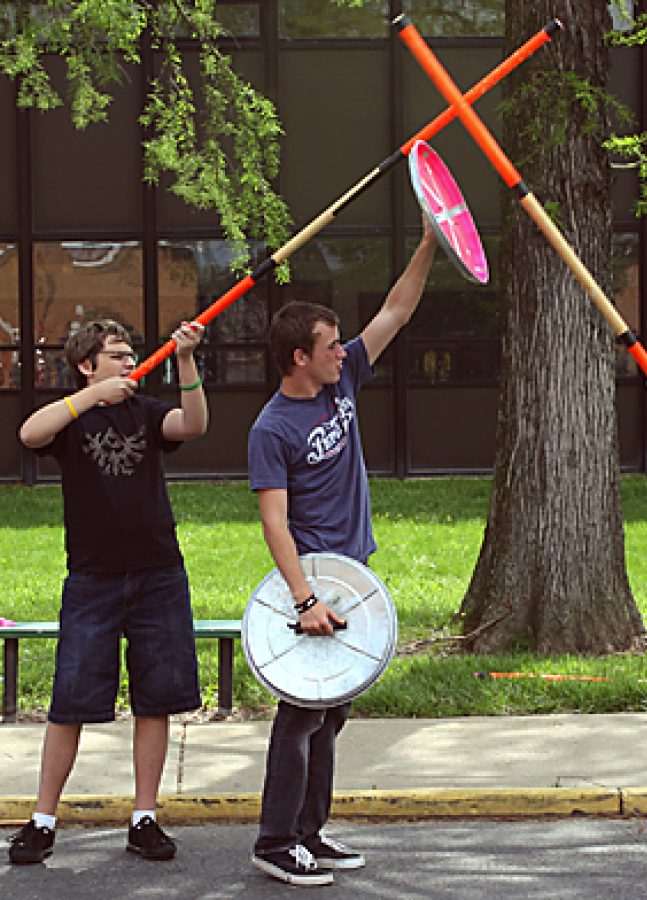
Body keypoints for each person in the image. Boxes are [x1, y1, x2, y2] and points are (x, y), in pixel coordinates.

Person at [248, 222, 437, 887]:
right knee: (301, 715)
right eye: (329, 347)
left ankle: (310, 831)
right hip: (314, 580)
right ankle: (275, 841)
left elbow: (397, 309)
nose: (342, 353)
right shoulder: (272, 428)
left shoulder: (343, 379)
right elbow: (275, 524)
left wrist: (427, 241)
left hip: (353, 575)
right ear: (299, 356)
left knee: (333, 712)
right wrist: (304, 601)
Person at [8, 318, 209, 865]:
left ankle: (144, 817)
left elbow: (193, 424)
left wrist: (186, 360)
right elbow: (29, 433)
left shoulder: (144, 412)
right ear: (86, 364)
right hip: (92, 580)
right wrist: (91, 398)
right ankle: (43, 819)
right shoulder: (73, 417)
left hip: (159, 574)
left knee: (156, 699)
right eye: (116, 355)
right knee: (69, 701)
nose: (128, 363)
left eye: (130, 355)